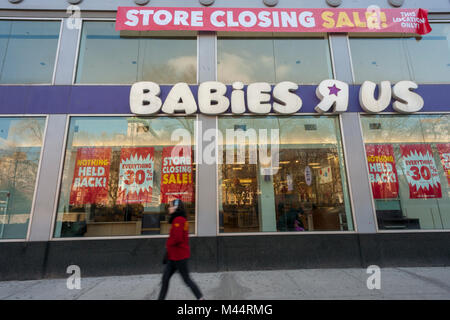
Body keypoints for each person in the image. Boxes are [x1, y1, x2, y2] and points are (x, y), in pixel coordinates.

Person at [158, 199, 204, 300]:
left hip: (179, 257)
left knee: (186, 280)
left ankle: (200, 297)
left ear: (176, 207)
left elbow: (177, 238)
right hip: (173, 256)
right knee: (165, 279)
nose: (169, 208)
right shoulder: (178, 219)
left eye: (170, 206)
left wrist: (168, 244)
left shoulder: (178, 220)